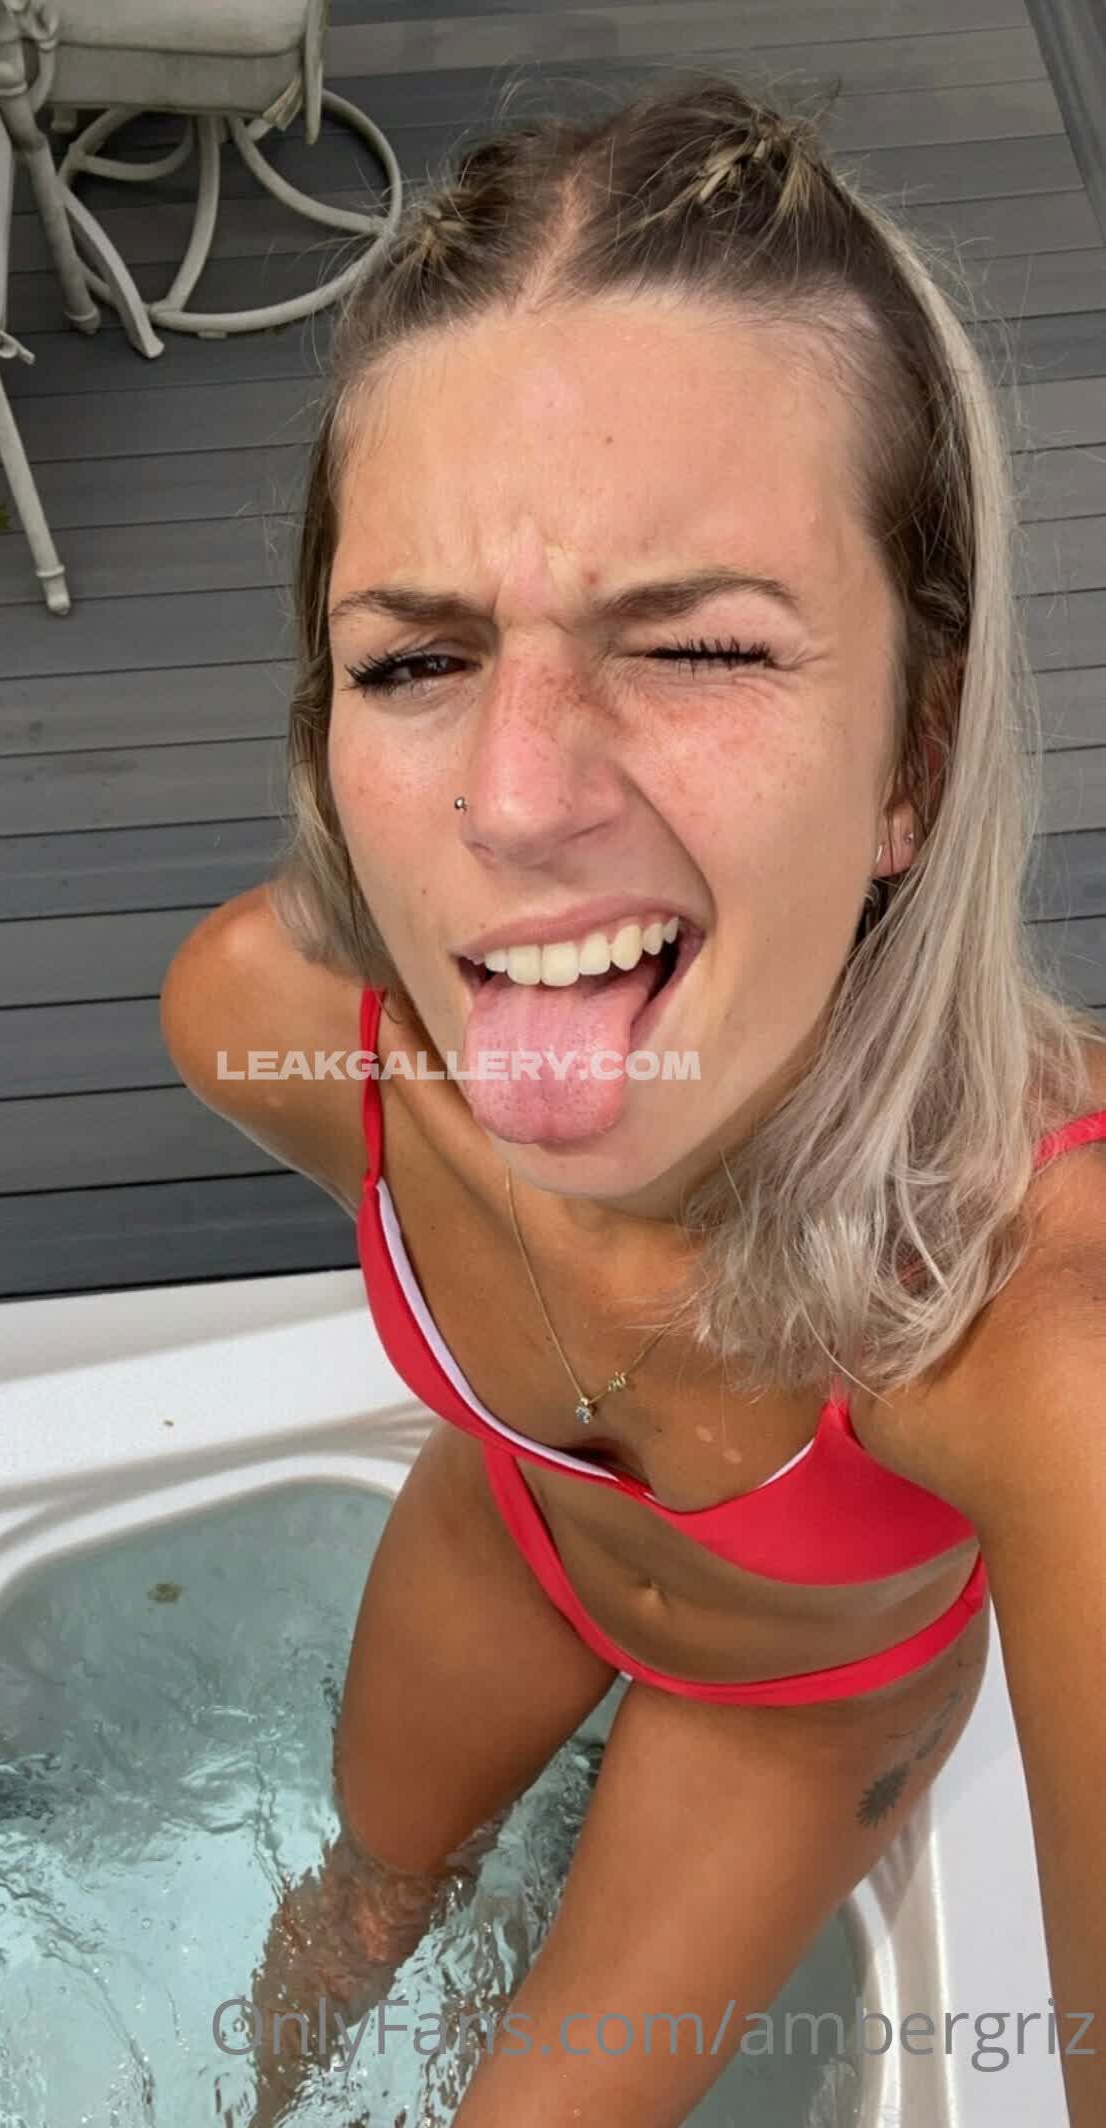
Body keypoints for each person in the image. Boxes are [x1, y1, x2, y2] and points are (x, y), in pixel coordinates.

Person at [161, 71, 1106, 2127]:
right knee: (349, 1919)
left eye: (698, 648)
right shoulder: (274, 1022)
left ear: (915, 752)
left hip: (792, 1702)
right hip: (512, 1538)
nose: (518, 801)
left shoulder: (1034, 1316)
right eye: (415, 662)